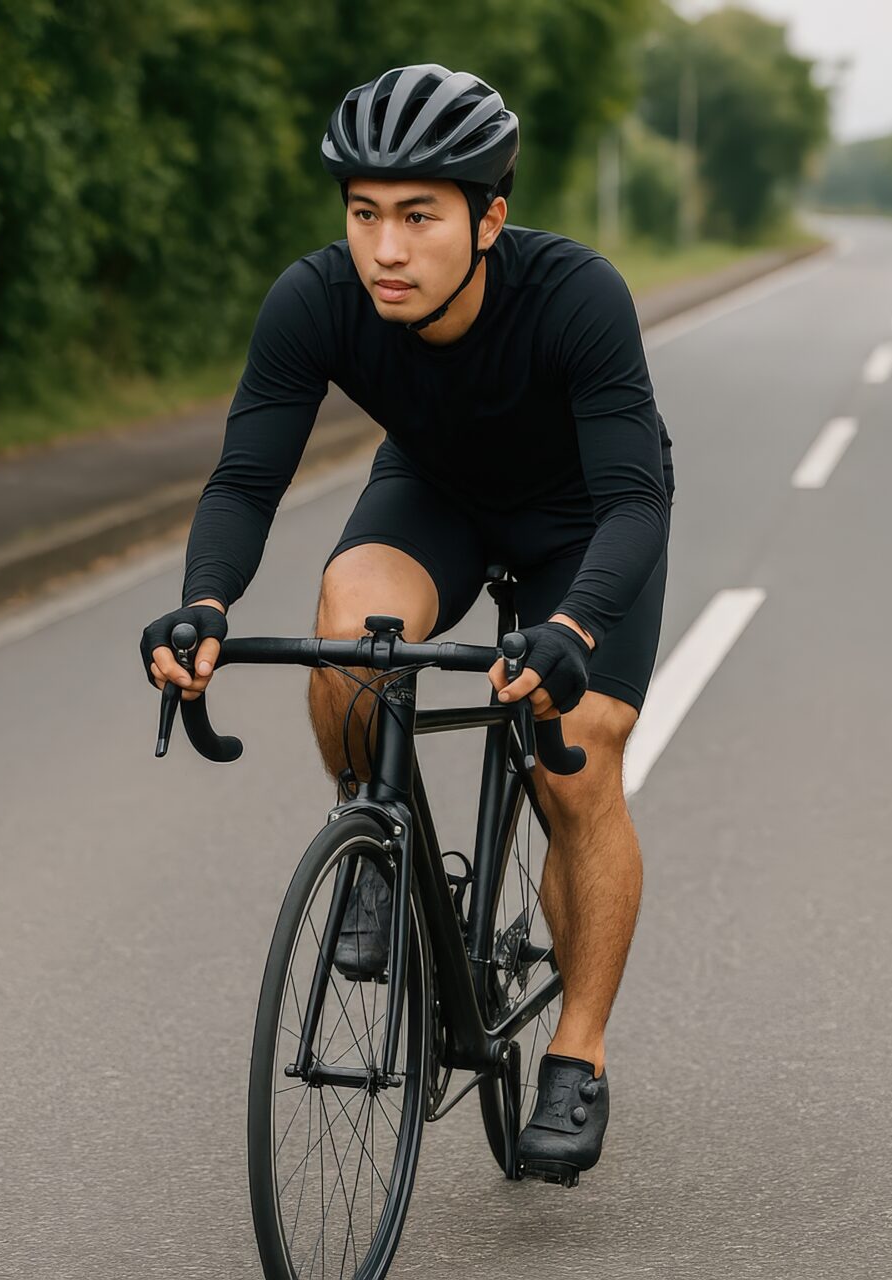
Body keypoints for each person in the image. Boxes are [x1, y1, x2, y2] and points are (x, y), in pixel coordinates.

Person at [140, 63, 672, 1183]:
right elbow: (246, 480)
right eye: (364, 213)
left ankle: (578, 1052)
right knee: (348, 626)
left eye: (419, 216)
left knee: (580, 772)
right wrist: (206, 602)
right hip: (438, 495)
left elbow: (634, 498)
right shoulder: (317, 298)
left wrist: (573, 629)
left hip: (583, 521)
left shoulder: (577, 295)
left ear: (489, 217)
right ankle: (375, 835)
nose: (385, 249)